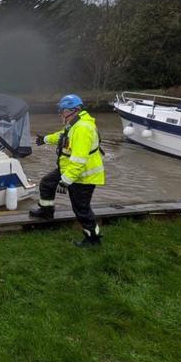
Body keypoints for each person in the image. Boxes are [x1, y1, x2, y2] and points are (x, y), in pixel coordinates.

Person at [30, 94, 105, 247]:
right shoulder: (75, 124)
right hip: (69, 169)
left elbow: (79, 160)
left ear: (74, 110)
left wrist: (66, 180)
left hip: (82, 176)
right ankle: (46, 211)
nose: (60, 113)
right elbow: (62, 136)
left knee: (81, 209)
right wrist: (45, 139)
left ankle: (93, 239)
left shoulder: (82, 129)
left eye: (62, 110)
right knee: (47, 183)